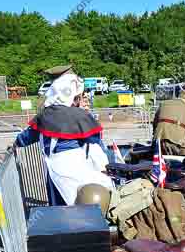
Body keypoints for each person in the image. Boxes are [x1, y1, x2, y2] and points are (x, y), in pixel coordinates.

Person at [14, 73, 113, 206]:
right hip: (77, 165)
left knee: (59, 206)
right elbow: (95, 141)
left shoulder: (45, 115)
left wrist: (15, 144)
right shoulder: (80, 115)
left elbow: (27, 137)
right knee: (82, 202)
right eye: (78, 96)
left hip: (54, 167)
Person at [152, 80, 185, 156]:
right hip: (177, 141)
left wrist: (155, 136)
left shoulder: (164, 104)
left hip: (159, 138)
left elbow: (155, 123)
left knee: (159, 162)